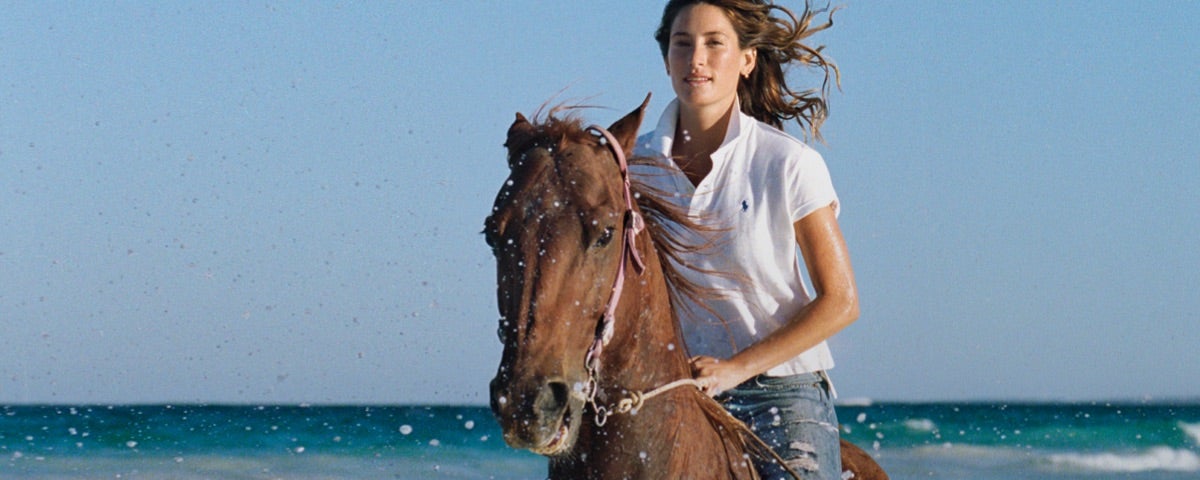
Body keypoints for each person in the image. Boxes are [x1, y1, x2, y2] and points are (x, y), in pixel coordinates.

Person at [633, 1, 857, 478]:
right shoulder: (633, 169)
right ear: (666, 57)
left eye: (716, 43)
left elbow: (841, 301)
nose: (697, 59)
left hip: (779, 396)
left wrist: (736, 369)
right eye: (683, 44)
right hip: (669, 393)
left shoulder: (788, 163)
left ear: (747, 59)